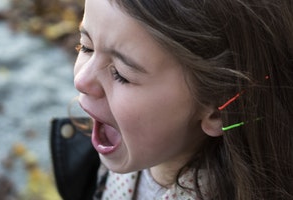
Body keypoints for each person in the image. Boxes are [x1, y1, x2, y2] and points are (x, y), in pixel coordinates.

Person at [72, 0, 293, 199]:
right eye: (86, 46)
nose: (81, 80)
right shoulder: (99, 160)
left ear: (218, 111)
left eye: (122, 74)